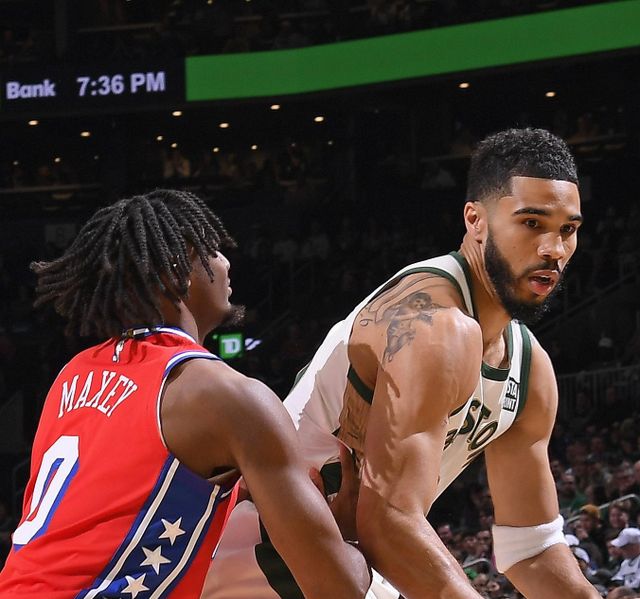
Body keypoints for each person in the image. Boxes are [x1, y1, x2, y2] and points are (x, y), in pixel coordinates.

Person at [206, 128, 599, 598]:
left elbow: (531, 548)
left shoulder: (530, 368)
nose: (553, 250)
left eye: (567, 230)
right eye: (531, 223)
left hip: (350, 568)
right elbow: (387, 524)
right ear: (475, 220)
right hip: (258, 566)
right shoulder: (433, 324)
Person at [0, 190, 370, 598]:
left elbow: (136, 489)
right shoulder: (229, 397)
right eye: (211, 251)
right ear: (176, 272)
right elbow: (338, 588)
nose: (227, 263)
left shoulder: (72, 376)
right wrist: (354, 537)